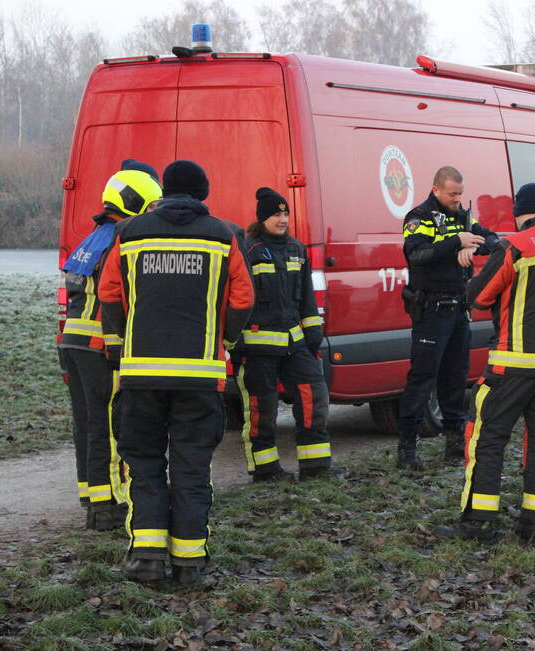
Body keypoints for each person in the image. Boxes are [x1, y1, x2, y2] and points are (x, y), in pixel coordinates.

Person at [99, 160, 254, 584]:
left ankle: (146, 558)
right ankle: (189, 562)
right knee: (191, 465)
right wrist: (226, 339)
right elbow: (242, 298)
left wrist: (126, 330)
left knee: (144, 462)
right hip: (199, 374)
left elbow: (108, 292)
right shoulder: (224, 235)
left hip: (140, 372)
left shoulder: (129, 233)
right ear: (203, 193)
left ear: (163, 191)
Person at [441, 182, 535, 544]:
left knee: (487, 436)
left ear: (520, 211)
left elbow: (479, 297)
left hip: (514, 361)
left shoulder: (515, 246)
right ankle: (534, 525)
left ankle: (479, 521)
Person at [59, 159, 162, 531]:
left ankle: (90, 495)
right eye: (151, 207)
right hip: (101, 345)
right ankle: (107, 506)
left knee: (86, 424)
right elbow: (120, 295)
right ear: (136, 203)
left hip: (73, 342)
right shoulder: (121, 239)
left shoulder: (91, 237)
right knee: (109, 425)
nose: (153, 215)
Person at [397, 166, 498, 469]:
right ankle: (407, 450)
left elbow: (492, 241)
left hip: (458, 308)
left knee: (456, 377)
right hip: (431, 310)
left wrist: (473, 247)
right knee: (422, 377)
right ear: (437, 190)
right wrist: (456, 244)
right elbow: (416, 254)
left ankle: (454, 445)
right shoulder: (419, 217)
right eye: (452, 194)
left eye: (460, 194)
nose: (457, 199)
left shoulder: (463, 217)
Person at [237, 187, 334, 481]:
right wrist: (237, 344)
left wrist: (313, 336)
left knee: (313, 399)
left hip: (296, 344)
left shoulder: (296, 249)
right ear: (262, 218)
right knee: (261, 410)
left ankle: (315, 467)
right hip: (258, 348)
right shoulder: (248, 250)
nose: (282, 220)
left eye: (285, 214)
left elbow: (306, 297)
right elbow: (238, 299)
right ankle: (266, 470)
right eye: (276, 215)